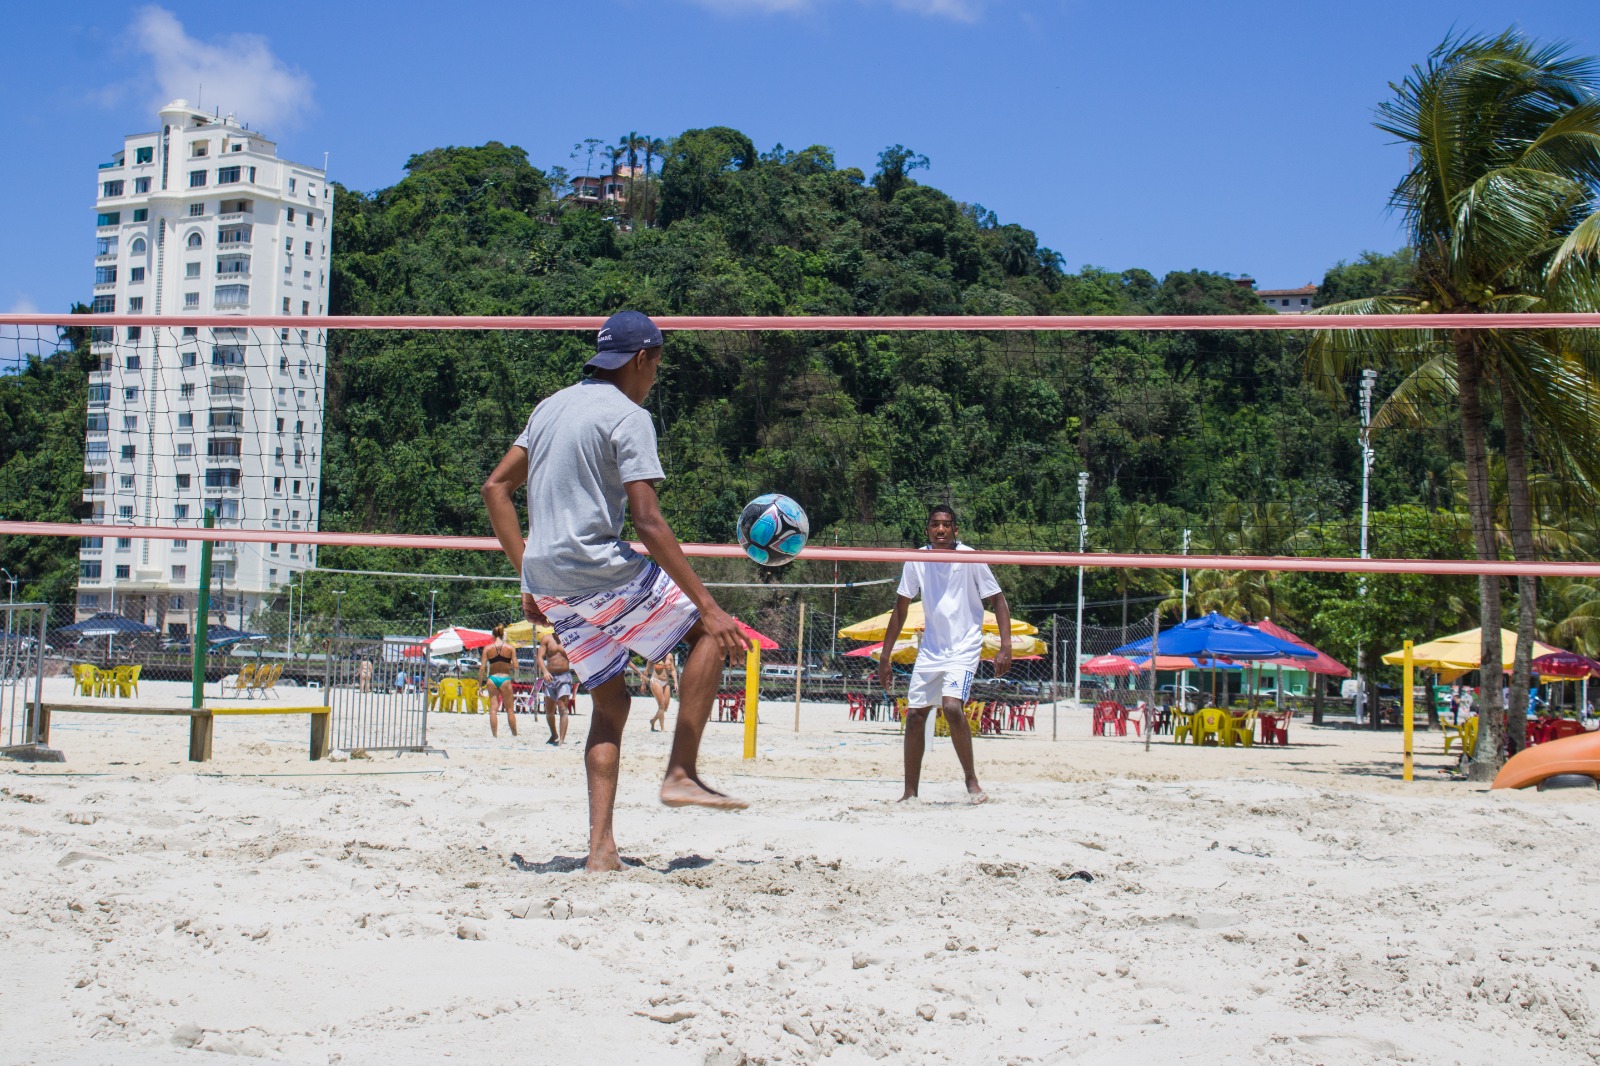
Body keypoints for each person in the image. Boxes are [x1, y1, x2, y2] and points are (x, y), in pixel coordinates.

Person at [482, 310, 752, 873]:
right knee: (712, 632)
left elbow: (495, 488)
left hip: (552, 583)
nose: (655, 376)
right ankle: (681, 772)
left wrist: (528, 572)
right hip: (597, 569)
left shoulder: (550, 406)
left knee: (612, 701)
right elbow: (649, 523)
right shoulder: (629, 416)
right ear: (642, 359)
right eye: (656, 364)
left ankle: (601, 851)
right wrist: (709, 605)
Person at [877, 504, 1012, 804]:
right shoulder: (916, 559)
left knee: (952, 707)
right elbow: (900, 610)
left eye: (946, 525)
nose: (940, 530)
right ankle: (910, 793)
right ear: (927, 529)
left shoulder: (970, 557)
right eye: (935, 524)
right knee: (914, 717)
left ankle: (971, 781)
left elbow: (998, 600)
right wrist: (885, 657)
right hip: (931, 650)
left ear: (955, 529)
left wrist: (1006, 645)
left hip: (964, 647)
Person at [479, 624, 520, 739]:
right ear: (503, 635)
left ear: (493, 635)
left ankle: (495, 735)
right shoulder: (510, 648)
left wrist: (480, 685)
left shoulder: (487, 648)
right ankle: (514, 734)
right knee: (510, 709)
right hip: (505, 678)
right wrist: (511, 667)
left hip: (492, 678)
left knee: (493, 709)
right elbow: (516, 666)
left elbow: (482, 668)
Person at [536, 627, 574, 746]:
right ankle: (554, 734)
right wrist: (545, 671)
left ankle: (561, 739)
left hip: (564, 677)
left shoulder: (570, 639)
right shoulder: (546, 639)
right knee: (549, 711)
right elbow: (540, 657)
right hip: (550, 677)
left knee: (563, 708)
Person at [633, 655, 678, 732]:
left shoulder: (670, 656)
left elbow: (673, 670)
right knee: (662, 705)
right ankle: (662, 728)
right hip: (656, 680)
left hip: (666, 681)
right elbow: (646, 671)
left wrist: (676, 682)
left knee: (666, 707)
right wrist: (643, 684)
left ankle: (653, 721)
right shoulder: (654, 655)